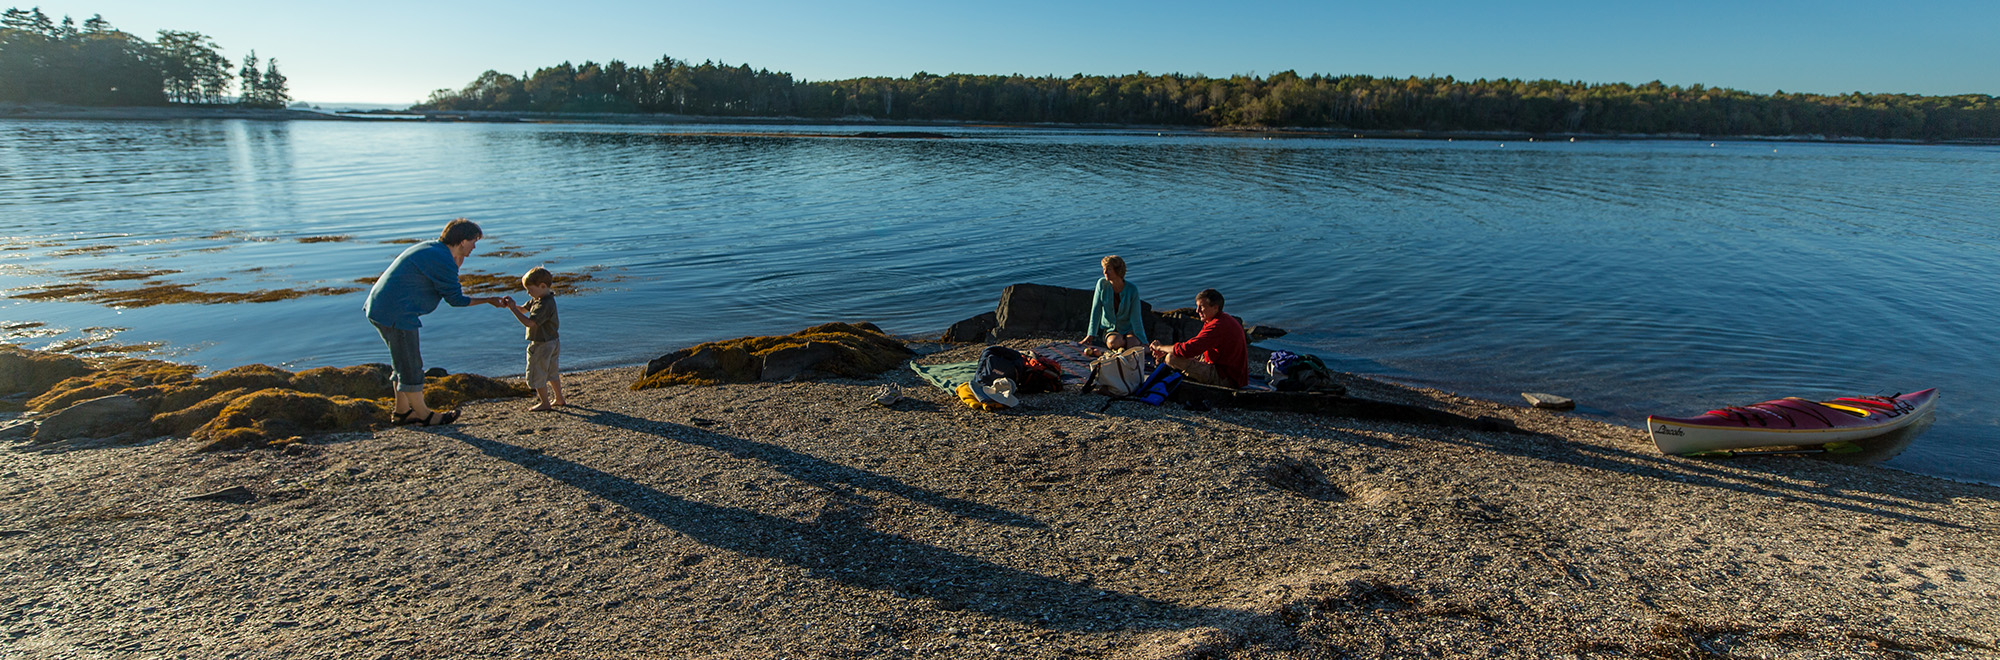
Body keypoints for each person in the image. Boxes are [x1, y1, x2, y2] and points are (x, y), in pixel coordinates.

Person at [363, 219, 511, 426]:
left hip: (381, 307)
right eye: (473, 241)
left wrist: (457, 263)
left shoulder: (432, 249)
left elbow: (446, 283)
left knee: (402, 362)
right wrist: (488, 300)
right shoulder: (442, 259)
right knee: (411, 366)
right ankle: (425, 415)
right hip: (397, 313)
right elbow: (456, 300)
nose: (474, 247)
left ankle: (402, 412)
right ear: (462, 241)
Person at [1147, 288, 1248, 389]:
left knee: (1172, 358)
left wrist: (1160, 347)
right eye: (1197, 306)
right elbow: (1196, 346)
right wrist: (1166, 350)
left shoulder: (1218, 325)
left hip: (1226, 377)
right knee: (1174, 354)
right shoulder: (1216, 319)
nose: (1197, 311)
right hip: (1221, 366)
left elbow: (1189, 349)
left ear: (1215, 307)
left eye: (1202, 307)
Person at [504, 266, 565, 412]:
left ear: (542, 286)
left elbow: (530, 323)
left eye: (530, 289)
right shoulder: (539, 299)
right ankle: (559, 398)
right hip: (553, 341)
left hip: (542, 344)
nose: (528, 292)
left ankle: (545, 402)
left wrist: (513, 310)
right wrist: (511, 306)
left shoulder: (544, 304)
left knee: (538, 373)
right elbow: (523, 309)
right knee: (551, 371)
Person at [1082, 255, 1147, 355]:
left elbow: (1136, 317)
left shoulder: (1132, 289)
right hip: (1110, 329)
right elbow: (1096, 310)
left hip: (1128, 329)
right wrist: (1090, 334)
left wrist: (1144, 341)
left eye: (1109, 269)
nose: (1105, 272)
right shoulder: (1101, 284)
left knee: (1133, 344)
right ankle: (1126, 348)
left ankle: (1133, 347)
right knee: (1113, 342)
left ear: (1118, 271)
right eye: (1104, 269)